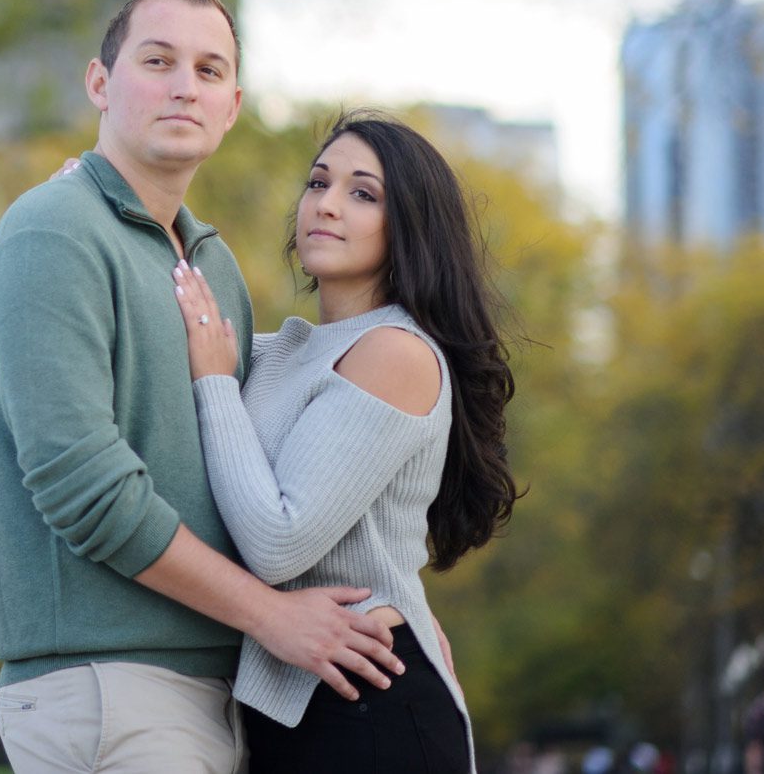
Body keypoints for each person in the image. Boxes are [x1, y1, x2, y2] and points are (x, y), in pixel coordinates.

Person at [0, 0, 404, 774]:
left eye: (209, 70)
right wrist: (272, 616)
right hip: (108, 688)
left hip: (215, 687)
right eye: (158, 59)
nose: (184, 85)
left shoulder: (210, 261)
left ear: (233, 105)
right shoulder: (53, 231)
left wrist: (399, 603)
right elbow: (86, 491)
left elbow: (265, 475)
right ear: (100, 83)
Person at [170, 110, 522, 773]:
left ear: (409, 227)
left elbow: (278, 542)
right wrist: (88, 201)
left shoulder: (397, 351)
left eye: (362, 193)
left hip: (373, 704)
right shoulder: (286, 350)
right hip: (290, 708)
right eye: (317, 183)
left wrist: (215, 384)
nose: (326, 205)